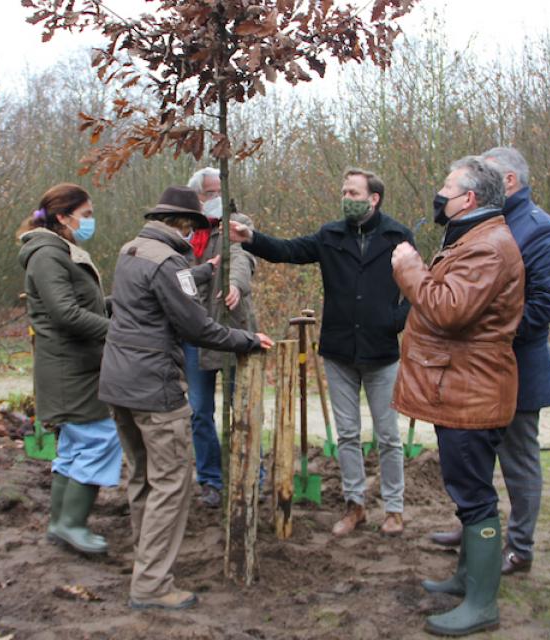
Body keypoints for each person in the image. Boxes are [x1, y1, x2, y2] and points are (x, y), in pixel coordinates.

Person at [98, 186, 273, 611]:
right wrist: (247, 340)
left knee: (141, 478)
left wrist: (205, 271)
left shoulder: (132, 251)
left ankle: (146, 563)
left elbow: (154, 295)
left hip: (118, 384)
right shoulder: (169, 261)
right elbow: (198, 328)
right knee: (171, 485)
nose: (193, 233)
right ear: (181, 224)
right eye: (192, 226)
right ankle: (153, 585)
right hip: (154, 388)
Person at [229, 168, 412, 537]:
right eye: (343, 190)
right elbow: (288, 251)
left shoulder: (398, 236)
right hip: (340, 349)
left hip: (381, 352)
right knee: (346, 434)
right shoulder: (331, 236)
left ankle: (394, 510)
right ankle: (354, 505)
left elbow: (416, 283)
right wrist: (250, 238)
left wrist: (396, 319)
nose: (346, 197)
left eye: (353, 192)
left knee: (388, 436)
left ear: (373, 198)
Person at [391, 156, 524, 636]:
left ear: (468, 198)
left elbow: (448, 311)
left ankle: (482, 605)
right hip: (465, 386)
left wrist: (409, 270)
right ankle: (469, 578)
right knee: (468, 487)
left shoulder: (487, 247)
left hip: (472, 391)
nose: (439, 193)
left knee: (473, 495)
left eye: (447, 187)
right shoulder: (474, 238)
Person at [429, 147, 550, 578]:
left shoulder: (540, 230)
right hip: (476, 369)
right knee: (474, 456)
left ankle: (520, 546)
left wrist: (483, 335)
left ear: (509, 181)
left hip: (519, 368)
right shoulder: (484, 224)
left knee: (518, 460)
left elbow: (544, 305)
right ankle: (473, 530)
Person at [17, 183, 123, 555]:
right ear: (63, 217)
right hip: (69, 369)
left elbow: (81, 305)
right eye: (87, 214)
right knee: (100, 438)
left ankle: (60, 524)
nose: (91, 221)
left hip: (76, 365)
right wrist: (120, 332)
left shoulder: (60, 251)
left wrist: (120, 305)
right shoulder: (47, 254)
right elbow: (64, 313)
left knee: (76, 445)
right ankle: (72, 524)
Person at [183, 167, 259, 508]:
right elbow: (177, 276)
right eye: (208, 194)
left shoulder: (235, 224)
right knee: (199, 410)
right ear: (196, 199)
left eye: (218, 192)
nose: (215, 199)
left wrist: (235, 285)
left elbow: (243, 259)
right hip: (194, 333)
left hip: (229, 328)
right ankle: (210, 480)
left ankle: (251, 473)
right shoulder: (184, 234)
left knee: (240, 406)